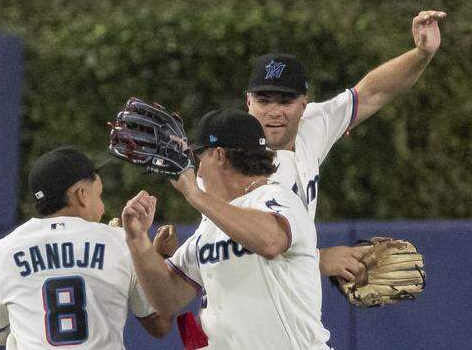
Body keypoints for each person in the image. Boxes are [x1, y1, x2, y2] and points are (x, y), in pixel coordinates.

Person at [245, 10, 446, 282]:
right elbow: (237, 250)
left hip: (288, 307)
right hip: (246, 309)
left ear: (304, 104)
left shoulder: (311, 125)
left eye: (284, 101)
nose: (273, 111)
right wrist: (319, 259)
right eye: (264, 100)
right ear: (248, 103)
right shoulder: (231, 160)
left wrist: (422, 53)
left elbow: (373, 92)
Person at [122, 110, 333, 349]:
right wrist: (137, 239)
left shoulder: (280, 197)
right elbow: (165, 300)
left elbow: (270, 241)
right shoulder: (211, 226)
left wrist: (194, 193)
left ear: (220, 155)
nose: (198, 171)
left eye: (202, 158)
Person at [0, 147, 172, 349]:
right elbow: (160, 325)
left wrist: (26, 318)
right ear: (82, 195)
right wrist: (155, 255)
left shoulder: (5, 249)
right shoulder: (121, 241)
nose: (101, 206)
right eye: (99, 195)